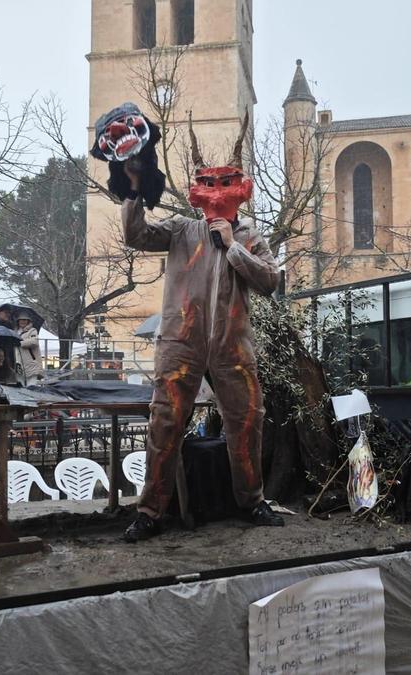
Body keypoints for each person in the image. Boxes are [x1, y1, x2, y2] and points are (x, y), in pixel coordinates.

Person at [118, 113, 284, 542]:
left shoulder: (249, 237)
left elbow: (271, 281)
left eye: (224, 182)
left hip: (233, 345)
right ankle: (150, 512)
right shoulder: (180, 230)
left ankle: (252, 501)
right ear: (196, 189)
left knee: (248, 419)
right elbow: (136, 235)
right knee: (165, 423)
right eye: (206, 183)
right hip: (180, 341)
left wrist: (232, 247)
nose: (215, 191)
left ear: (240, 187)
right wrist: (134, 188)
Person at [16, 313, 43, 383]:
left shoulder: (33, 330)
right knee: (20, 387)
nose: (22, 321)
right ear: (18, 321)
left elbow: (34, 342)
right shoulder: (14, 332)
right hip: (18, 365)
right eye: (21, 320)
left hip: (31, 364)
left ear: (28, 321)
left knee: (31, 387)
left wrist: (19, 343)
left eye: (25, 320)